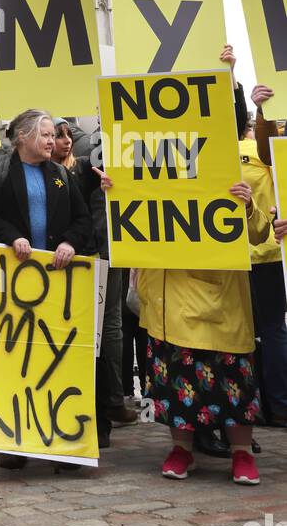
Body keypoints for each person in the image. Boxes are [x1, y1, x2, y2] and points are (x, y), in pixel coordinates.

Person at [0, 108, 94, 470]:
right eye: (45, 134)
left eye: (53, 135)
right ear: (22, 137)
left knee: (55, 360)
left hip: (53, 283)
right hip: (14, 283)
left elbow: (82, 219)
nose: (52, 140)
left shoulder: (60, 174)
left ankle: (59, 442)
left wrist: (70, 243)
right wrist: (12, 237)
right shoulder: (0, 170)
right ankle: (13, 440)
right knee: (16, 360)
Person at [133, 165, 272, 485]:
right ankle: (181, 449)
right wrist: (119, 193)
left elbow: (259, 233)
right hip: (167, 298)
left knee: (233, 376)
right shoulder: (147, 169)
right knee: (175, 378)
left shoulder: (225, 166)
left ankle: (241, 451)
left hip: (218, 299)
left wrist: (247, 205)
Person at [53, 117, 136, 448]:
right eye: (56, 135)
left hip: (103, 246)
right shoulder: (93, 151)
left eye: (65, 134)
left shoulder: (87, 156)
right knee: (105, 328)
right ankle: (109, 402)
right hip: (93, 248)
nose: (64, 140)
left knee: (109, 327)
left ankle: (110, 401)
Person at [246, 87, 287, 426]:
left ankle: (256, 403)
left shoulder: (221, 152)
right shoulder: (265, 151)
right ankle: (278, 404)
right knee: (273, 329)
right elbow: (271, 151)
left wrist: (261, 110)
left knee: (253, 332)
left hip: (244, 254)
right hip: (271, 251)